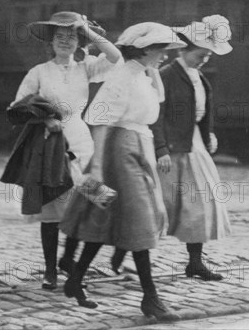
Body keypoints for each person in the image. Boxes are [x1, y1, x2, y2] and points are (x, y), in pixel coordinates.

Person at [59, 22, 185, 321]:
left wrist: (151, 69)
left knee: (109, 218)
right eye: (161, 51)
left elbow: (159, 103)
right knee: (139, 220)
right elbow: (99, 120)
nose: (166, 57)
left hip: (139, 148)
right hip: (119, 151)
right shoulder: (123, 76)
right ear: (144, 50)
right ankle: (150, 297)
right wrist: (99, 168)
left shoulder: (141, 74)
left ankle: (75, 278)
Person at [10, 11, 121, 290]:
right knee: (52, 211)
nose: (65, 42)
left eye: (71, 37)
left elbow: (116, 57)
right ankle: (50, 270)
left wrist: (88, 32)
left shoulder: (87, 67)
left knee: (91, 202)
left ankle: (68, 258)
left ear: (79, 42)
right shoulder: (39, 72)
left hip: (83, 144)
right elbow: (18, 106)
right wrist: (45, 117)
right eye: (60, 37)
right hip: (50, 146)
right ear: (51, 42)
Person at [150, 15, 233, 282]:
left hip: (193, 145)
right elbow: (156, 116)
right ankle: (126, 257)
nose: (204, 60)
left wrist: (208, 134)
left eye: (208, 56)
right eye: (201, 54)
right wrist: (161, 148)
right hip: (172, 149)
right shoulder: (166, 76)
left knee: (199, 204)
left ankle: (195, 262)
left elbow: (200, 112)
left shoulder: (199, 78)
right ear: (184, 50)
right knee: (158, 206)